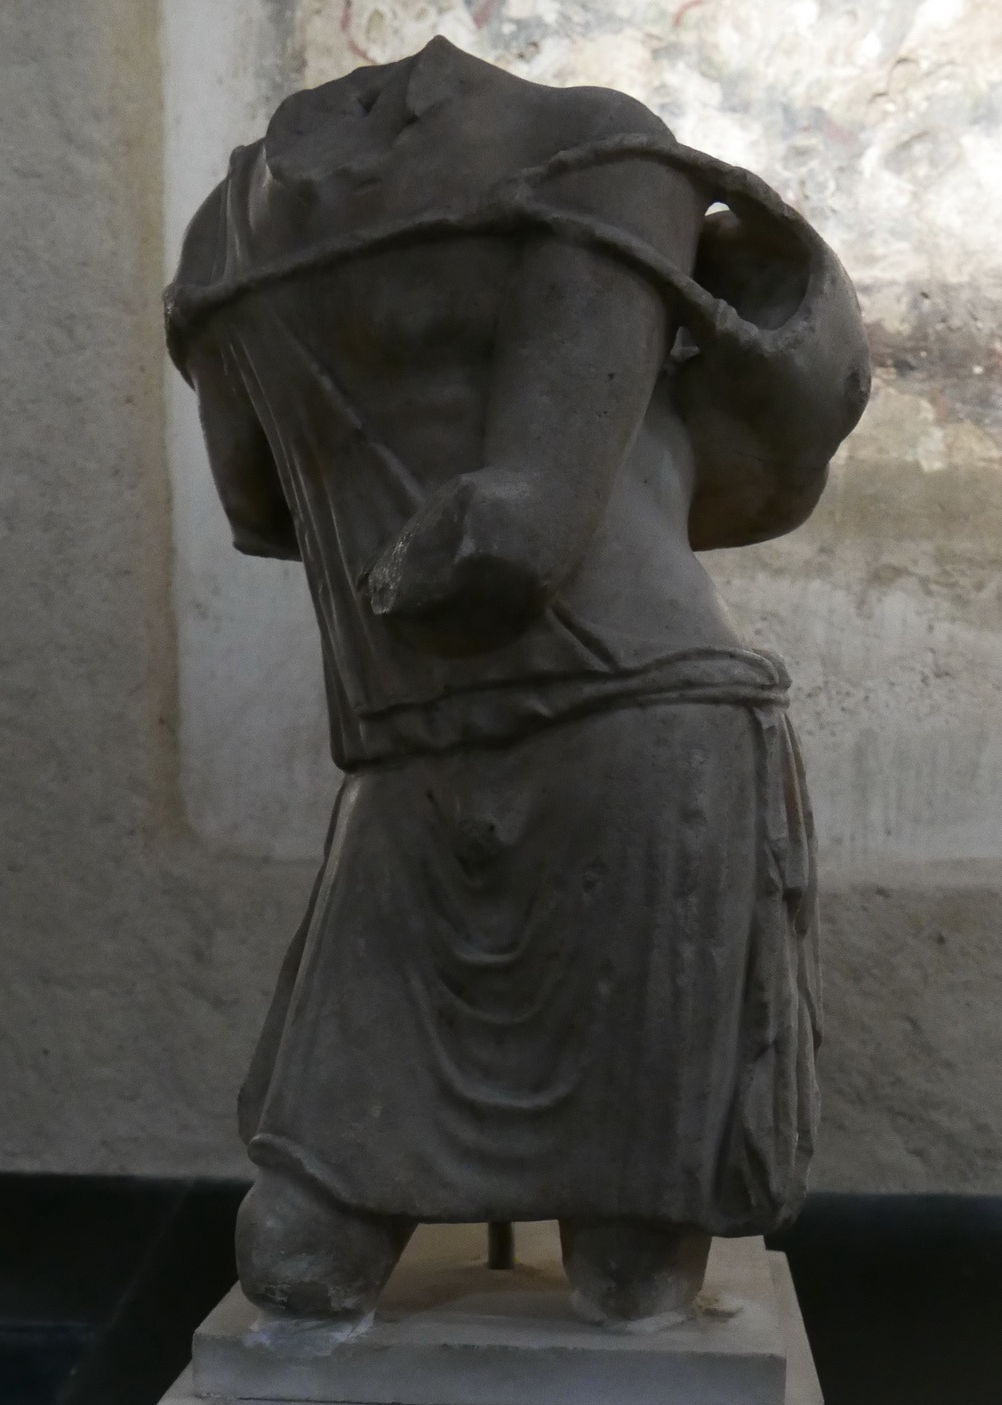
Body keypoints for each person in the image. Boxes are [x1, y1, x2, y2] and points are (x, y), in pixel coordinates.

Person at [166, 36, 870, 1329]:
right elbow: (512, 522)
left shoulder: (231, 235)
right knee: (337, 1264)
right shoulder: (593, 149)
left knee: (570, 1274)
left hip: (580, 730)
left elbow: (383, 524)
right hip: (559, 728)